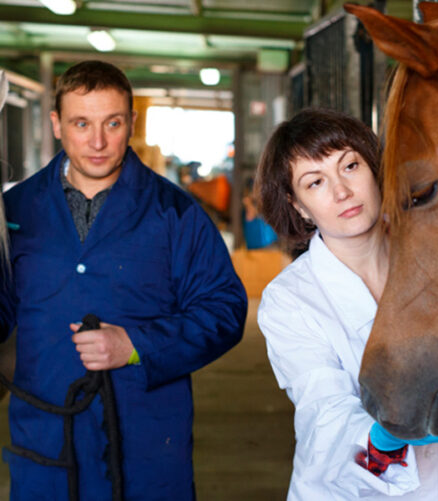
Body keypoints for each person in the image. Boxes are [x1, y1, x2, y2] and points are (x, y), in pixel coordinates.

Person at [255, 108, 438, 500]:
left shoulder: (437, 262)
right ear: (298, 205)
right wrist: (380, 438)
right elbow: (324, 412)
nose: (342, 192)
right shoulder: (289, 300)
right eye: (316, 182)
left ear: (375, 169)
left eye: (350, 166)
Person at [0, 60, 247, 500]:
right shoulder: (15, 211)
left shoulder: (177, 214)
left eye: (111, 123)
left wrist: (138, 346)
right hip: (45, 441)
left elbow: (224, 310)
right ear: (57, 125)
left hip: (146, 445)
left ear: (131, 122)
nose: (97, 142)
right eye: (81, 123)